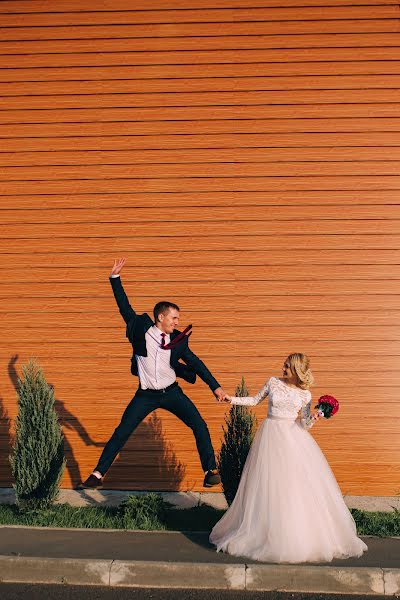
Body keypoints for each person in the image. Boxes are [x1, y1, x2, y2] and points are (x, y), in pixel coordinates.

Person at [81, 258, 225, 490]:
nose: (177, 322)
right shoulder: (140, 328)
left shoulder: (178, 340)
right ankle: (98, 474)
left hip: (172, 393)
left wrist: (215, 387)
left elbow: (196, 363)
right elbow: (123, 306)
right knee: (122, 431)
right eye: (174, 318)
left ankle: (210, 470)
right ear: (161, 317)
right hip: (145, 395)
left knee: (199, 424)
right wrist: (115, 279)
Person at [210, 353, 368, 563]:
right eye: (284, 365)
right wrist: (232, 399)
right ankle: (264, 530)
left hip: (292, 439)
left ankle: (294, 534)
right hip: (270, 436)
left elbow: (303, 423)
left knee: (292, 486)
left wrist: (313, 418)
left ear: (297, 371)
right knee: (268, 486)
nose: (283, 368)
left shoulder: (305, 395)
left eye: (287, 366)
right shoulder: (273, 382)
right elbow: (255, 400)